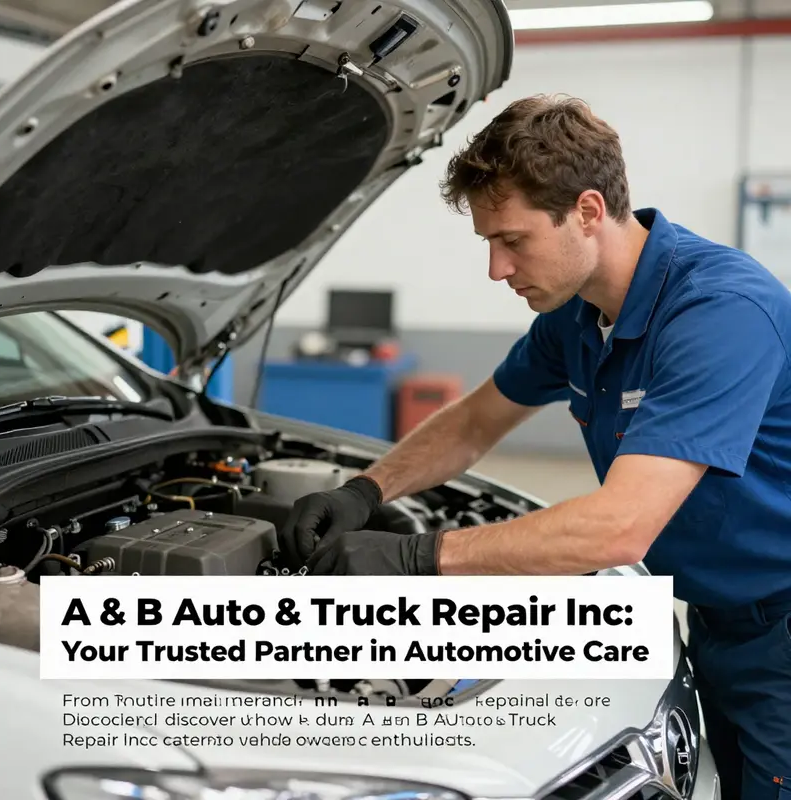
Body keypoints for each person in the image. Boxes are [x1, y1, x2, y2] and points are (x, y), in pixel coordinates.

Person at [277, 94, 791, 800]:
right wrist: (365, 492)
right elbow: (476, 421)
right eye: (489, 242)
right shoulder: (576, 315)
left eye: (512, 241)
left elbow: (621, 525)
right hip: (717, 615)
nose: (496, 268)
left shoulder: (720, 312)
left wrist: (418, 557)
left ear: (586, 211)